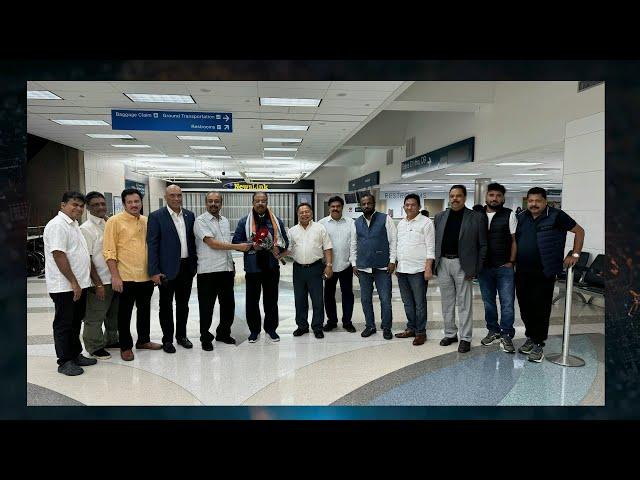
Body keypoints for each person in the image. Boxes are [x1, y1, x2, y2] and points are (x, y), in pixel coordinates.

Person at [515, 187, 585, 363]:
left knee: (541, 307)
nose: (534, 204)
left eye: (538, 201)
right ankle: (531, 336)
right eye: (531, 201)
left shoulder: (557, 215)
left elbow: (579, 231)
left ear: (545, 201)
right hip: (523, 270)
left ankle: (539, 343)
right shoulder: (522, 217)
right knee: (525, 307)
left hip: (545, 270)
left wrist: (575, 254)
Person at [103, 188, 161, 361]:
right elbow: (109, 251)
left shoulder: (146, 221)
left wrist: (154, 272)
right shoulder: (114, 222)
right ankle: (125, 346)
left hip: (146, 277)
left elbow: (152, 248)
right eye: (130, 202)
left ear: (141, 202)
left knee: (144, 310)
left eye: (137, 201)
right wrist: (115, 276)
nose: (134, 205)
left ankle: (143, 340)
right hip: (125, 277)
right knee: (124, 314)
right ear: (124, 204)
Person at [43, 191, 97, 376]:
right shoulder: (58, 225)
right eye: (74, 204)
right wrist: (73, 282)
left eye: (81, 206)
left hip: (79, 284)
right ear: (63, 205)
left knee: (75, 322)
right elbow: (59, 255)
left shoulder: (73, 225)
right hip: (65, 286)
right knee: (64, 324)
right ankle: (65, 361)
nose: (78, 208)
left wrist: (82, 282)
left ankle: (75, 355)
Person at [433, 185, 487, 353]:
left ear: (464, 197)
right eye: (452, 196)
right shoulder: (440, 217)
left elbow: (483, 245)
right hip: (443, 263)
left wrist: (476, 269)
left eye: (458, 196)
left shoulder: (476, 217)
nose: (455, 199)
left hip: (463, 265)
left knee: (465, 303)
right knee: (447, 302)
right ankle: (450, 333)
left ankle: (465, 338)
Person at [194, 192, 250, 350]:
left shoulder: (225, 221)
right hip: (208, 272)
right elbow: (212, 243)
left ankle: (223, 333)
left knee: (228, 306)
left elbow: (224, 244)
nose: (213, 204)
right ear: (206, 203)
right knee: (207, 307)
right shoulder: (200, 221)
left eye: (217, 201)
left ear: (221, 204)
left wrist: (231, 263)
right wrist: (238, 247)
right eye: (210, 201)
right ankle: (205, 337)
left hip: (225, 270)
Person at [232, 192, 289, 343]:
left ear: (267, 202)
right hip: (253, 268)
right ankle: (254, 331)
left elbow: (285, 241)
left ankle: (271, 330)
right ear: (252, 202)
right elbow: (236, 243)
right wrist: (252, 246)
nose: (260, 203)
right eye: (257, 201)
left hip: (271, 268)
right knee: (252, 301)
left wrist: (279, 248)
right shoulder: (244, 221)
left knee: (271, 300)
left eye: (263, 201)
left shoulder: (276, 221)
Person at [147, 185, 197, 354]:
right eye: (173, 196)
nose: (176, 199)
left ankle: (181, 336)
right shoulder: (156, 217)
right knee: (166, 306)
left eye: (179, 195)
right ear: (166, 197)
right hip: (166, 270)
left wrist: (194, 265)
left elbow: (192, 242)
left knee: (183, 305)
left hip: (186, 268)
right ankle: (167, 339)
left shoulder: (189, 216)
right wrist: (153, 271)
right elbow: (152, 245)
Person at [477, 183, 518, 353]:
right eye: (492, 195)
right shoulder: (477, 215)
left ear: (503, 198)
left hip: (504, 267)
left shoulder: (509, 215)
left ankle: (506, 334)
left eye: (498, 195)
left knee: (507, 303)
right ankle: (493, 330)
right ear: (486, 196)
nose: (495, 198)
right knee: (488, 302)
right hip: (484, 268)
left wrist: (511, 261)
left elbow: (515, 240)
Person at [79, 191, 120, 360]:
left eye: (103, 204)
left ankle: (111, 340)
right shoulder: (86, 229)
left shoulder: (109, 223)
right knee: (95, 316)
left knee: (113, 314)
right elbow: (87, 259)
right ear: (88, 208)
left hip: (115, 278)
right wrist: (98, 284)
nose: (101, 207)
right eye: (96, 205)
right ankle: (94, 347)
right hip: (100, 280)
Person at [284, 203, 333, 338]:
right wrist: (277, 252)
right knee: (299, 299)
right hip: (298, 269)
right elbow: (288, 249)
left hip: (316, 268)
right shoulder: (292, 231)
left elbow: (328, 248)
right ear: (297, 214)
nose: (304, 214)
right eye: (301, 212)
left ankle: (317, 327)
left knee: (317, 299)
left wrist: (329, 265)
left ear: (311, 213)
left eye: (307, 212)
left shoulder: (320, 228)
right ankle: (302, 326)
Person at [352, 193, 397, 340]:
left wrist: (392, 260)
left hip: (382, 267)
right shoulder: (356, 222)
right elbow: (353, 244)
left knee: (385, 299)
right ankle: (370, 326)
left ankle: (387, 327)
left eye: (369, 203)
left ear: (374, 203)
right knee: (365, 299)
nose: (366, 206)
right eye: (363, 204)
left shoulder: (385, 219)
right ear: (360, 205)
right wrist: (354, 263)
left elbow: (393, 241)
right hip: (363, 267)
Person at [394, 194, 435, 346]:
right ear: (404, 206)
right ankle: (411, 328)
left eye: (412, 205)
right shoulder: (401, 223)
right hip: (402, 269)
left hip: (418, 270)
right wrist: (396, 264)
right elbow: (398, 245)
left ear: (419, 207)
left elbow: (431, 247)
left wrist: (428, 267)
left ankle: (420, 332)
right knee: (407, 303)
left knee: (419, 303)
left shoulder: (426, 223)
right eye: (407, 205)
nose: (409, 207)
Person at [318, 196, 357, 333]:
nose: (335, 208)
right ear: (329, 208)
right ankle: (332, 321)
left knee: (348, 295)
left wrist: (353, 263)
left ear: (342, 207)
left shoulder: (351, 223)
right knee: (328, 295)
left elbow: (354, 244)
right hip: (328, 266)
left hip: (346, 265)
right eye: (333, 206)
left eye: (338, 206)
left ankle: (347, 322)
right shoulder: (322, 223)